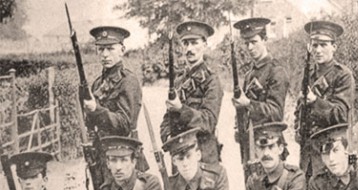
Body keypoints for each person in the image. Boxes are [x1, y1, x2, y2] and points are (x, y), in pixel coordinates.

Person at [296, 20, 354, 179]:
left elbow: (341, 114)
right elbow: (299, 109)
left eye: (323, 45)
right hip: (308, 154)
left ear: (334, 47)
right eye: (314, 45)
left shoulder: (342, 75)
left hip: (331, 152)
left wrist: (316, 102)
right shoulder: (309, 75)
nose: (318, 50)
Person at [84, 26, 148, 171]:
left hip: (124, 156)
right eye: (101, 49)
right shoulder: (97, 83)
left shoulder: (128, 81)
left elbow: (126, 124)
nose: (105, 54)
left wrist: (96, 109)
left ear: (122, 50)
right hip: (102, 156)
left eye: (110, 49)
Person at [160, 21, 224, 164]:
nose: (189, 48)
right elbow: (167, 118)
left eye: (194, 43)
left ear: (204, 45)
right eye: (185, 43)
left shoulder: (212, 80)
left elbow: (208, 122)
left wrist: (181, 109)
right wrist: (167, 136)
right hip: (180, 155)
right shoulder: (178, 81)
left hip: (203, 155)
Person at [232, 17, 289, 125]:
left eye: (254, 42)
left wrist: (248, 104)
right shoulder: (250, 74)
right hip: (250, 137)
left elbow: (277, 113)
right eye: (247, 43)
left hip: (269, 138)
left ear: (265, 40)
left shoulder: (276, 71)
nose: (250, 47)